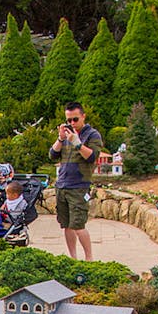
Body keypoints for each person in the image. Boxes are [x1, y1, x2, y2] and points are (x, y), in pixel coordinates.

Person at [49, 102, 103, 260]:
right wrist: (61, 138)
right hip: (62, 185)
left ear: (83, 116)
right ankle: (73, 257)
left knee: (78, 225)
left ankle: (89, 258)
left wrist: (77, 142)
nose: (72, 123)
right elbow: (52, 155)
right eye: (69, 120)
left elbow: (92, 157)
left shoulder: (92, 135)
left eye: (75, 119)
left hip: (79, 186)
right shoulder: (66, 135)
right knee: (66, 225)